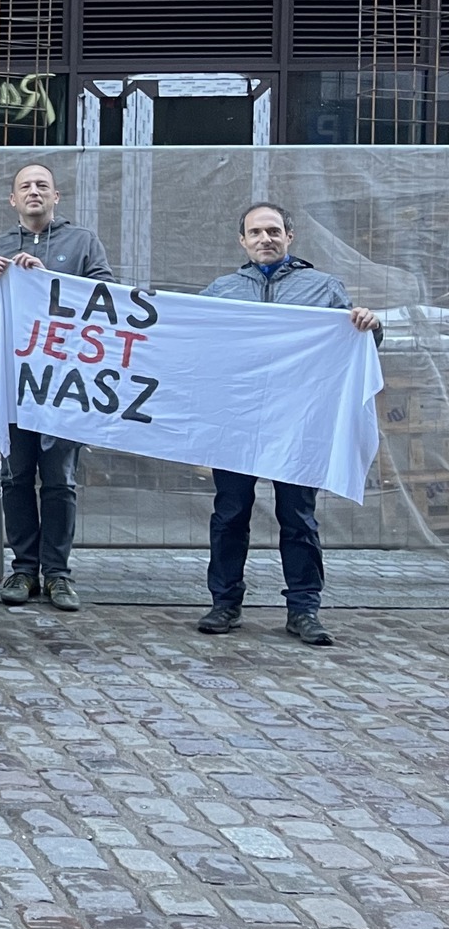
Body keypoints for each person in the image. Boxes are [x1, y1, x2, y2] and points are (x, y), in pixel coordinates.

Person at [194, 203, 380, 647]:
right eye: (255, 232)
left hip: (299, 422)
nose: (265, 239)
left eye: (273, 231)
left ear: (290, 236)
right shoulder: (220, 291)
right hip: (236, 421)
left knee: (298, 516)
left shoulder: (323, 288)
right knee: (229, 514)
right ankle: (224, 604)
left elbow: (357, 346)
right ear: (242, 241)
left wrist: (369, 326)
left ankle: (304, 609)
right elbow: (189, 342)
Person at [0, 163, 111, 614]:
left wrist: (48, 279)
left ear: (56, 196)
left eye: (42, 185)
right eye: (25, 186)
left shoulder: (82, 241)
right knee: (14, 477)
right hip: (12, 383)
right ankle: (24, 568)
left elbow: (106, 303)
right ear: (13, 199)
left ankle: (58, 573)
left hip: (63, 384)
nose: (34, 192)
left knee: (60, 479)